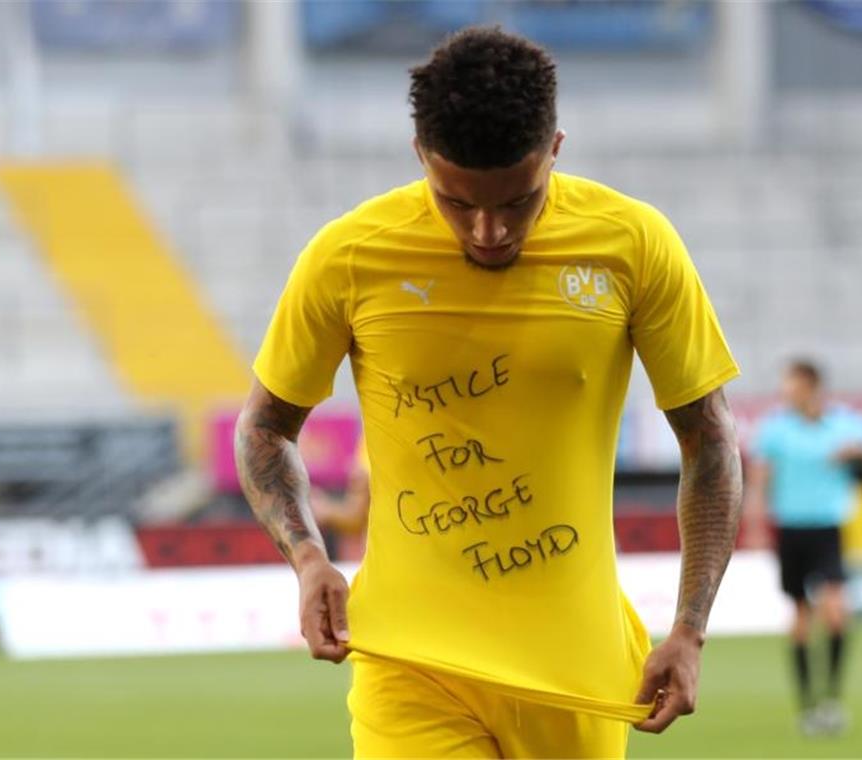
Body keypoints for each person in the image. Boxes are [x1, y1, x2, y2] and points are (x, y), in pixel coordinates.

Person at [235, 26, 742, 758]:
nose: (488, 229)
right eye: (457, 202)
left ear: (555, 149)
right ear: (420, 158)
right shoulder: (348, 257)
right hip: (412, 665)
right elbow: (263, 428)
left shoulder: (633, 244)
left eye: (517, 201)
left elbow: (709, 438)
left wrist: (690, 628)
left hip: (576, 668)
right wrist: (308, 557)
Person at [743, 359, 862, 737]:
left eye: (792, 386)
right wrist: (753, 522)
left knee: (835, 611)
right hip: (791, 528)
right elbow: (760, 478)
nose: (786, 393)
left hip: (829, 528)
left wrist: (859, 454)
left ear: (811, 387)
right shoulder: (775, 429)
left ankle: (832, 699)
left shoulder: (846, 425)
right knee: (799, 615)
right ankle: (807, 704)